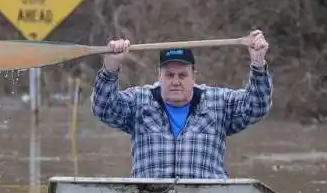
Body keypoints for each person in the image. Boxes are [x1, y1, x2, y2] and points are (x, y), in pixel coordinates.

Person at [91, 30, 272, 179]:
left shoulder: (219, 102)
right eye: (169, 75)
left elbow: (257, 106)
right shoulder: (138, 102)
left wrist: (258, 63)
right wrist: (110, 67)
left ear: (194, 76)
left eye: (182, 75)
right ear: (159, 75)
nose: (176, 81)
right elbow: (103, 108)